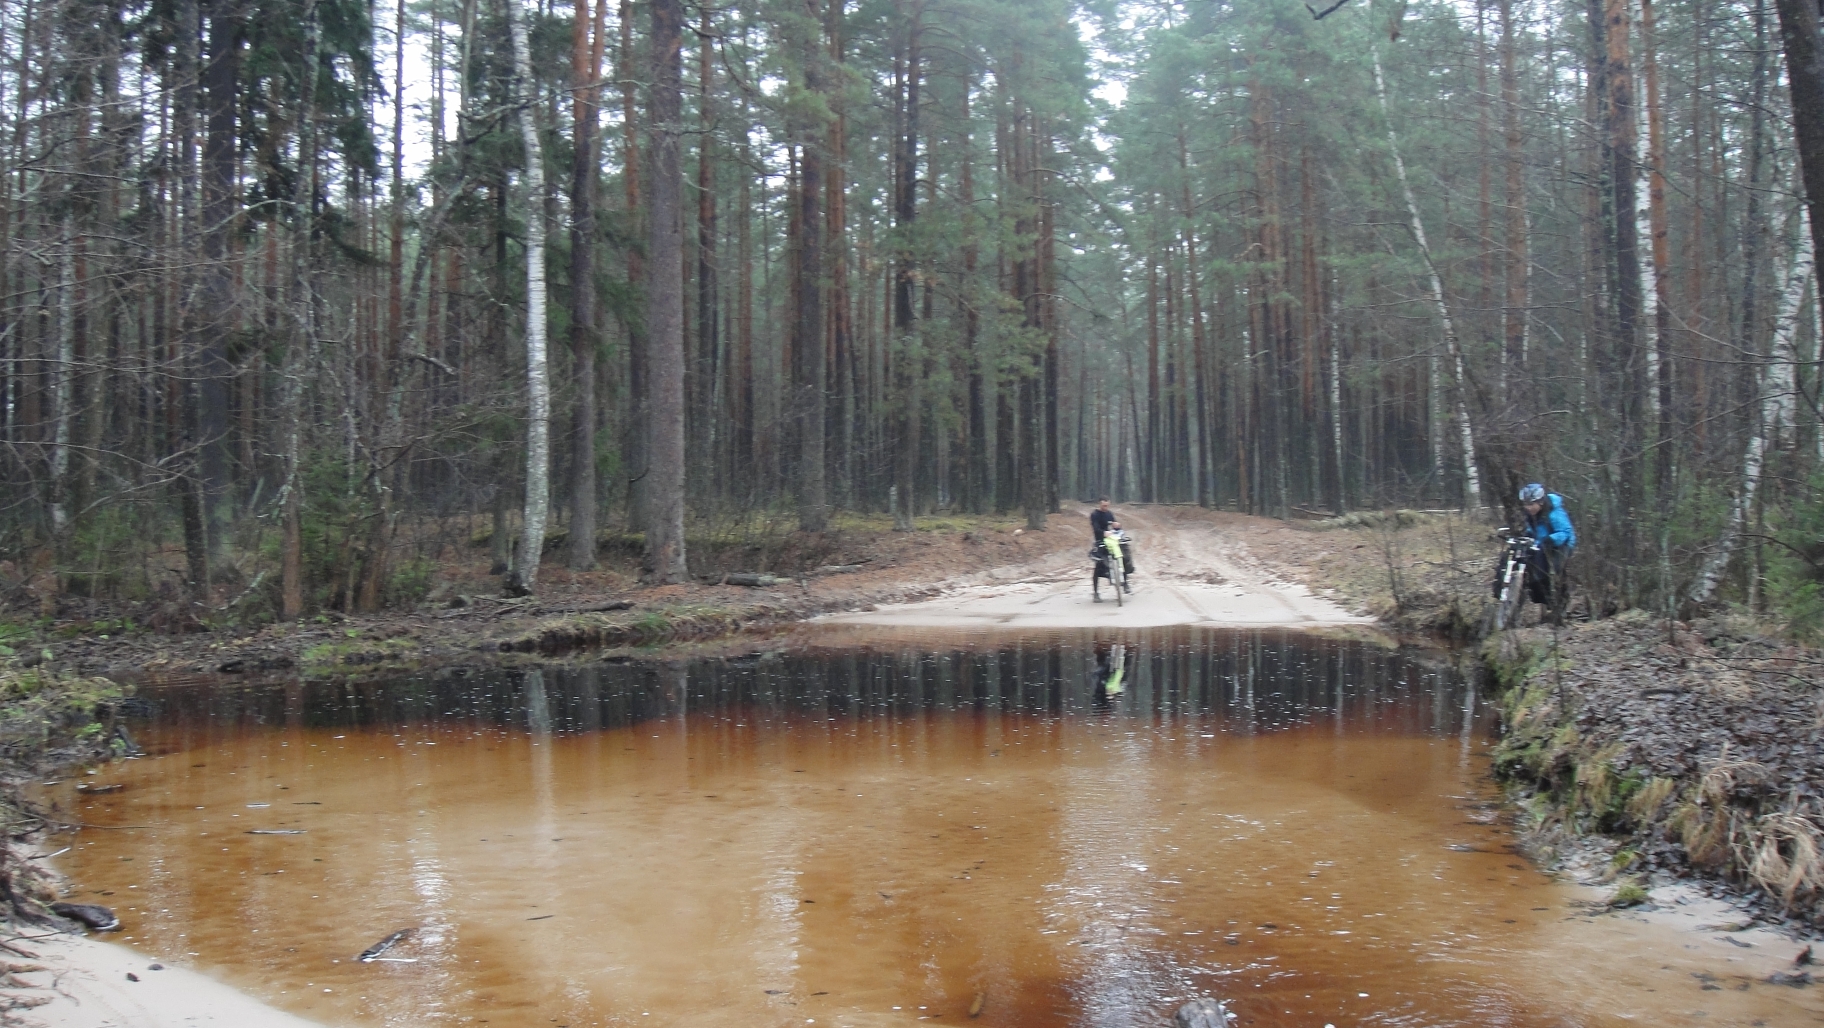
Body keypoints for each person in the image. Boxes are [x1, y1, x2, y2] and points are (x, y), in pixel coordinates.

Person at [1515, 482, 1575, 617]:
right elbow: (1532, 530)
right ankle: (1540, 598)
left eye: (1531, 504)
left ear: (1540, 502)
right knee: (1532, 566)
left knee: (1552, 570)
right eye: (1526, 504)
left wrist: (1551, 540)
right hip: (1541, 542)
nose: (1528, 508)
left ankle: (1561, 603)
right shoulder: (1531, 515)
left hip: (1561, 544)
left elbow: (1565, 532)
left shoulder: (1554, 513)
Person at [1089, 498, 1134, 601]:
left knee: (1123, 557)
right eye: (1104, 506)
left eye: (1107, 506)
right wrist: (1103, 533)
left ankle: (1125, 583)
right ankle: (1096, 593)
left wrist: (1117, 526)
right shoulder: (1094, 515)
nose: (1106, 508)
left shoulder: (1109, 514)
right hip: (1101, 541)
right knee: (1098, 565)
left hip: (1112, 540)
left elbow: (1114, 527)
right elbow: (1095, 528)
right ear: (1099, 504)